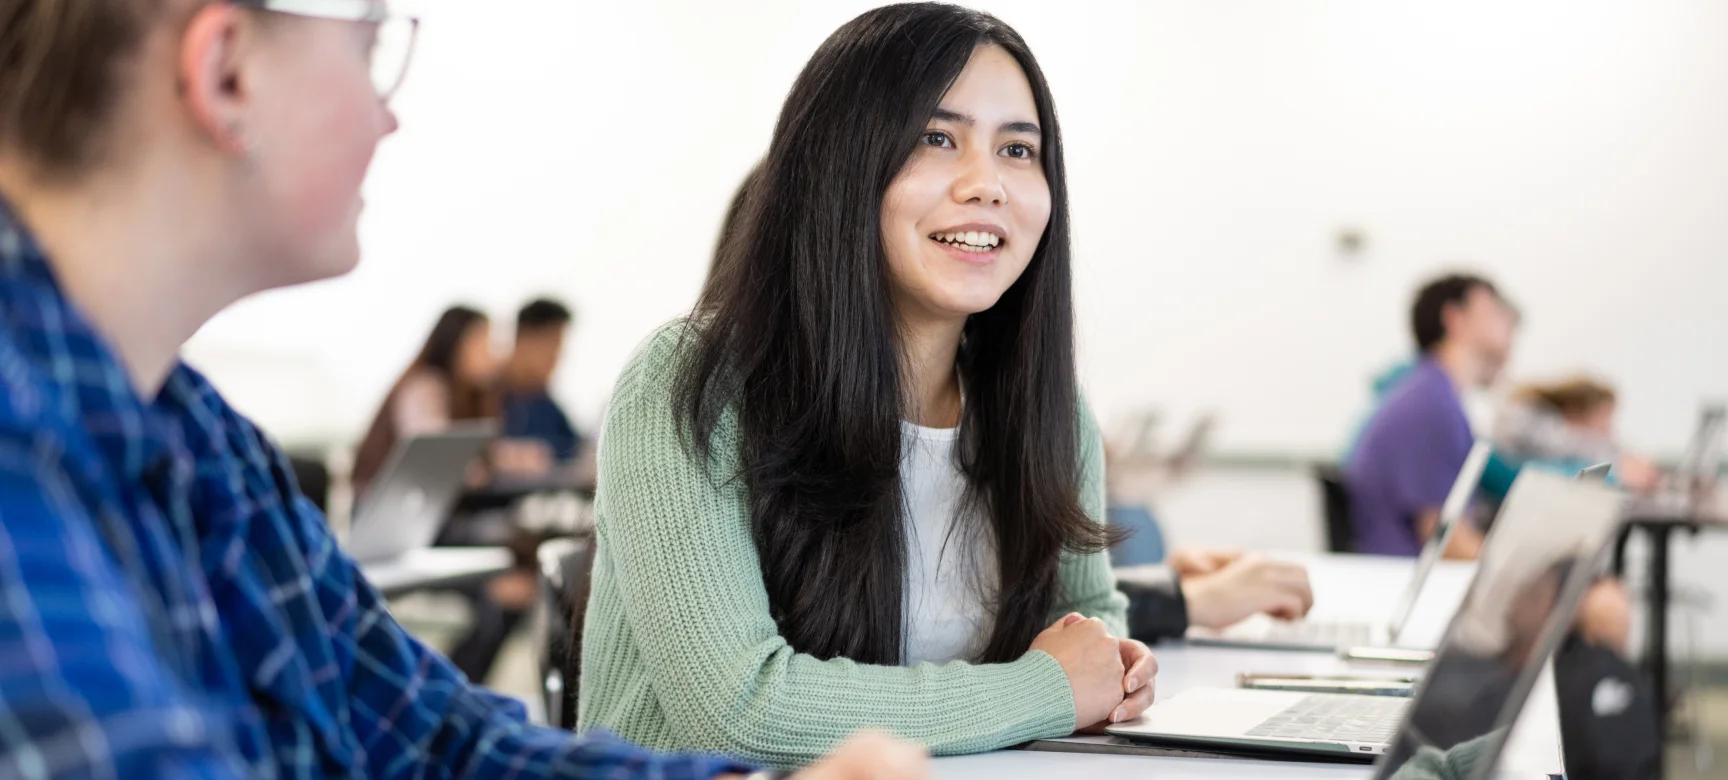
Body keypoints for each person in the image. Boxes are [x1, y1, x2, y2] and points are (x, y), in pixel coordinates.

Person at [0, 1, 917, 777]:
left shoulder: (201, 440)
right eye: (372, 49)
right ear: (229, 74)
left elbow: (433, 738)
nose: (385, 117)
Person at [581, 5, 1158, 766]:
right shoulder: (688, 383)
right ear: (838, 162)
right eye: (937, 138)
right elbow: (735, 711)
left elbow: (1084, 616)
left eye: (1019, 150)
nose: (989, 184)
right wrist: (1049, 690)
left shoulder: (1043, 407)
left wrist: (1114, 663)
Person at [1346, 274, 1519, 559]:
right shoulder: (1431, 404)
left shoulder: (1434, 393)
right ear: (1454, 319)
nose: (1506, 323)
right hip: (1411, 580)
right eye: (1493, 312)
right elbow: (1446, 542)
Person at [353, 304, 503, 494]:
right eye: (481, 344)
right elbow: (436, 460)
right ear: (454, 344)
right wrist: (486, 469)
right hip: (389, 503)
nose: (491, 355)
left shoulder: (472, 395)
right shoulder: (424, 388)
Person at [1493, 376, 1659, 491]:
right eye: (1603, 419)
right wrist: (1620, 467)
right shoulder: (1526, 427)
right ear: (1574, 413)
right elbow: (1570, 444)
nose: (1608, 430)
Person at [501, 298, 585, 466]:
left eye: (559, 350)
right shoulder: (485, 398)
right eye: (551, 348)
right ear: (524, 339)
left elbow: (577, 448)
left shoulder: (544, 404)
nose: (555, 359)